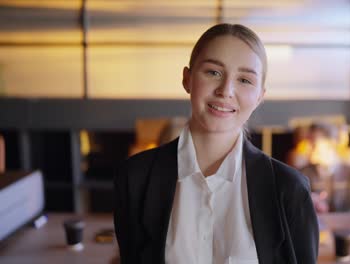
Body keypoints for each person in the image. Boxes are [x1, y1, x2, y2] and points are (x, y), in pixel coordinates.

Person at [113, 23, 319, 264]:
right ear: (187, 79)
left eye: (244, 79)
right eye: (213, 72)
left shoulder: (289, 189)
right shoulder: (135, 178)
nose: (226, 90)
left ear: (260, 96)